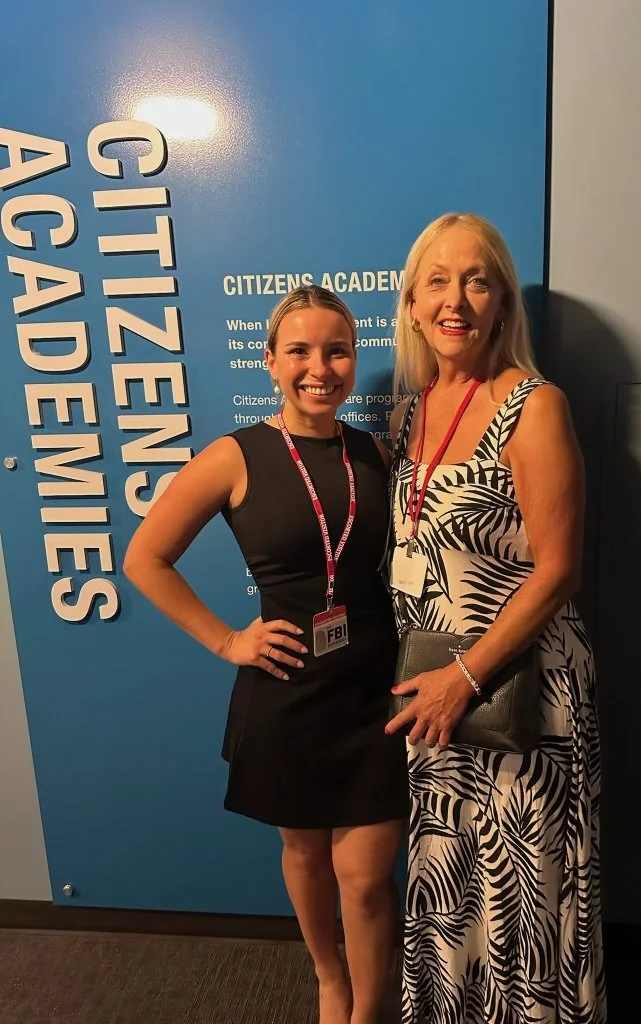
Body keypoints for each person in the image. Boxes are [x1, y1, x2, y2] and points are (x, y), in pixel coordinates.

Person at [124, 285, 407, 1024]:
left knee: (369, 879)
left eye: (337, 350)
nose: (321, 367)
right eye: (301, 351)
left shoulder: (373, 452)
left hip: (375, 687)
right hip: (287, 689)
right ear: (271, 361)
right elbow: (146, 558)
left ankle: (370, 1012)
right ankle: (330, 981)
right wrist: (226, 640)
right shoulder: (235, 455)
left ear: (353, 358)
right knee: (308, 854)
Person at [385, 213, 606, 1024]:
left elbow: (559, 571)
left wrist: (465, 679)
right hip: (433, 698)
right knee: (451, 888)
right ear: (411, 304)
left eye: (476, 280)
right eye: (437, 281)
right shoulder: (410, 412)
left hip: (521, 693)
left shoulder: (535, 406)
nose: (456, 299)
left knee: (524, 897)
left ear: (503, 300)